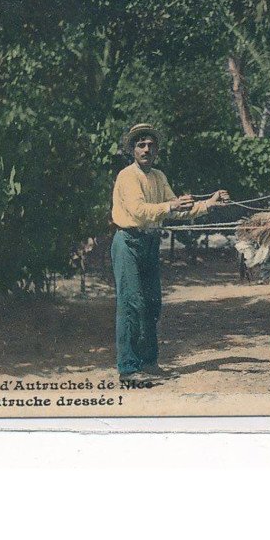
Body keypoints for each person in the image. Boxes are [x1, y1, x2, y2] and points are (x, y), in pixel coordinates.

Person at [111, 123, 229, 382]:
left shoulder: (159, 177)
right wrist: (172, 204)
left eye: (151, 145)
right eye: (141, 145)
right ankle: (128, 368)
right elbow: (139, 211)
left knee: (152, 303)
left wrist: (209, 203)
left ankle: (149, 362)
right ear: (132, 149)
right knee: (131, 304)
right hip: (128, 242)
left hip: (150, 242)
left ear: (157, 150)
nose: (146, 149)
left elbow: (177, 210)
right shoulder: (127, 177)